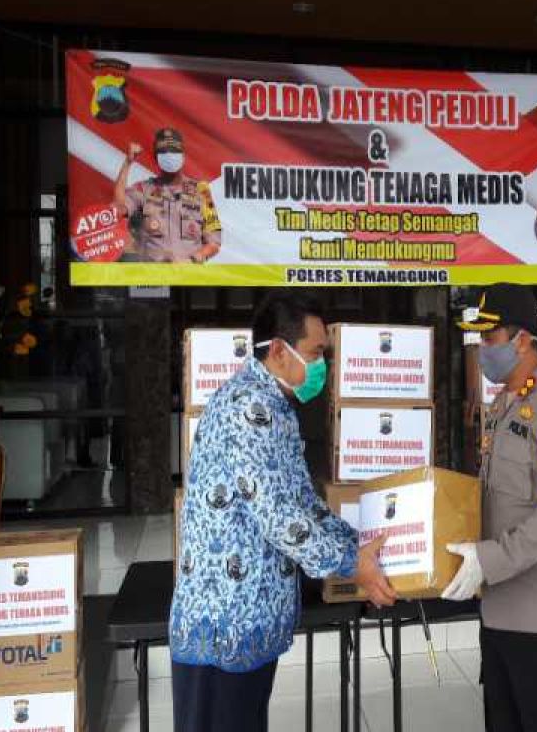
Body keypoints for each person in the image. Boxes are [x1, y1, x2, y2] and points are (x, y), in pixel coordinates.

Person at [169, 292, 396, 732]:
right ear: (277, 350)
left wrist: (358, 544)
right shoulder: (247, 408)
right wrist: (353, 564)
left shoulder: (274, 406)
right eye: (315, 354)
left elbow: (302, 502)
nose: (321, 368)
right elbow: (276, 516)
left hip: (251, 618)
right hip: (224, 622)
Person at [445, 283, 537, 732]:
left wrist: (488, 560)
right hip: (500, 613)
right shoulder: (504, 406)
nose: (482, 352)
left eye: (488, 340)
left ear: (522, 341)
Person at [113, 127, 222, 263]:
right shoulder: (144, 189)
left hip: (188, 276)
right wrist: (127, 163)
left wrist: (193, 260)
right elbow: (118, 209)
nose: (170, 156)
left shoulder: (202, 191)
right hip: (153, 277)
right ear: (156, 158)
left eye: (174, 152)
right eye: (164, 152)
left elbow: (214, 243)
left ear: (182, 156)